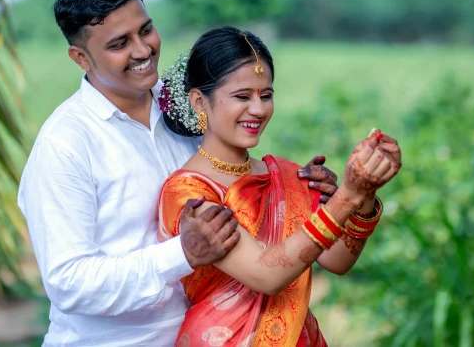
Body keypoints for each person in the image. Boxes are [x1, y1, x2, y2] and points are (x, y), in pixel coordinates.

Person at [17, 0, 340, 347]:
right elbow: (68, 283)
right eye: (120, 43)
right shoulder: (66, 143)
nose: (142, 50)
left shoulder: (186, 102)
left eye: (146, 30)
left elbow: (240, 191)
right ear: (81, 57)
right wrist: (182, 254)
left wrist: (307, 193)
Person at [157, 27, 402, 347]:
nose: (258, 109)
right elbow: (266, 276)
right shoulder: (188, 193)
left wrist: (366, 193)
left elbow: (338, 261)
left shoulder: (285, 175)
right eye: (242, 96)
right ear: (199, 102)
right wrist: (348, 195)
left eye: (267, 95)